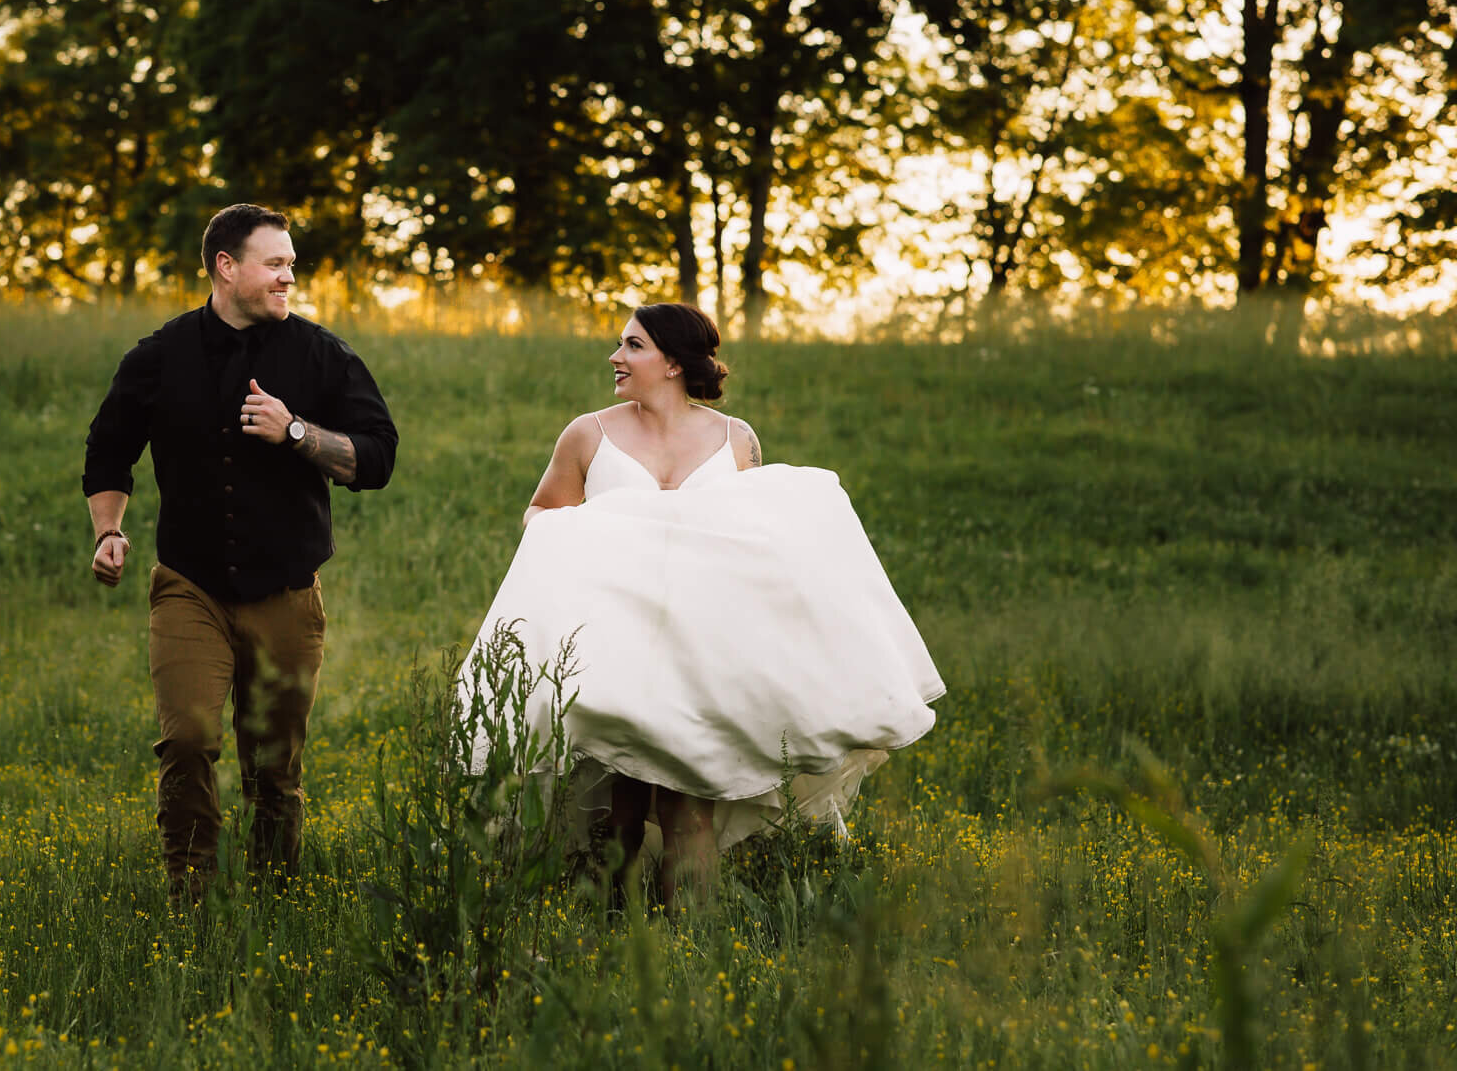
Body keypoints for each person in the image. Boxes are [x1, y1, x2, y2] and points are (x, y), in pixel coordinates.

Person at [465, 302, 943, 910]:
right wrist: (608, 527)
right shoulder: (590, 433)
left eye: (633, 346)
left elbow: (758, 540)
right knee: (620, 809)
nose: (616, 357)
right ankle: (609, 931)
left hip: (705, 654)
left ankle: (685, 950)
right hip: (618, 644)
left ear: (672, 363)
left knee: (691, 810)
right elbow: (541, 516)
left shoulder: (735, 438)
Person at [82, 204, 398, 902]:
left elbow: (378, 458)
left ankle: (273, 899)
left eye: (291, 264)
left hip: (287, 591)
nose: (291, 276)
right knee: (189, 741)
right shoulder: (157, 357)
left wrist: (296, 434)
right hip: (189, 585)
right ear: (227, 267)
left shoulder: (321, 354)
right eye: (276, 264)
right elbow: (108, 449)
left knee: (274, 765)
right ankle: (189, 899)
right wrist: (109, 530)